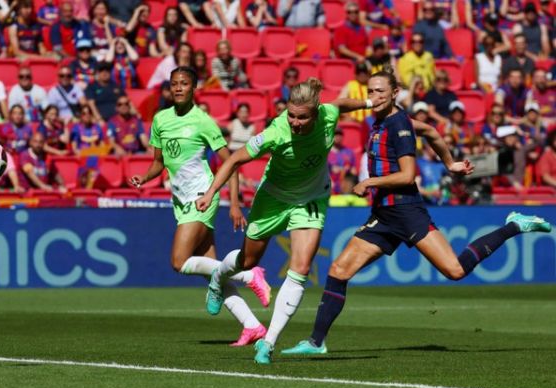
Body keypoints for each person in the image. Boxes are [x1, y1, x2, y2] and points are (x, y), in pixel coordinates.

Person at [281, 67, 551, 358]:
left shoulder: (399, 126)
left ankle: (514, 225)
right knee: (338, 270)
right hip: (384, 215)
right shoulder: (382, 118)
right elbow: (431, 131)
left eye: (381, 91)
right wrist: (450, 163)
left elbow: (408, 175)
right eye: (371, 91)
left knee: (455, 270)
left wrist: (369, 181)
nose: (375, 96)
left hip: (407, 210)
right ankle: (316, 341)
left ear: (396, 93)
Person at [195, 77, 378, 364]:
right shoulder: (275, 132)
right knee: (248, 261)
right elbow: (233, 160)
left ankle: (268, 344)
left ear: (315, 113)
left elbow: (341, 105)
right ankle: (218, 278)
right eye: (291, 115)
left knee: (301, 268)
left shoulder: (327, 114)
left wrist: (369, 103)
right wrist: (210, 193)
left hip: (311, 199)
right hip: (273, 200)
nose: (294, 122)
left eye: (302, 117)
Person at [129, 66, 271, 347]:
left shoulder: (204, 122)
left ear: (194, 88)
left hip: (202, 195)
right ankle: (252, 326)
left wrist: (233, 204)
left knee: (179, 262)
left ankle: (248, 273)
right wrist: (144, 177)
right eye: (174, 84)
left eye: (184, 83)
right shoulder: (160, 120)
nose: (178, 88)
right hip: (181, 201)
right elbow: (159, 162)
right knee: (215, 275)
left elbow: (231, 163)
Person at [328, 126, 358, 195]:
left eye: (340, 134)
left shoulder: (349, 152)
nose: (338, 136)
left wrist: (347, 170)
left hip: (346, 189)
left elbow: (354, 170)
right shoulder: (326, 153)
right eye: (335, 134)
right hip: (330, 188)